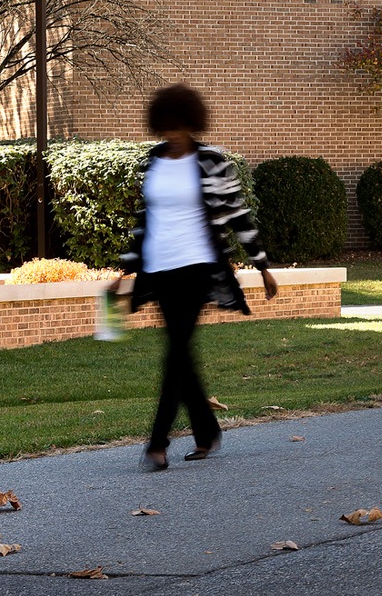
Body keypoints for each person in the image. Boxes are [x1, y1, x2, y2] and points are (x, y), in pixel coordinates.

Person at [113, 84, 277, 471]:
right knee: (181, 355)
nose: (172, 133)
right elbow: (144, 220)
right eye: (166, 126)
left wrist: (262, 265)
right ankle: (207, 431)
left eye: (179, 125)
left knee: (175, 354)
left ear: (192, 123)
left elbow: (239, 216)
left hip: (197, 266)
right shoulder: (154, 160)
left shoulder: (212, 162)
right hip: (158, 269)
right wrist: (125, 270)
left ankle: (157, 443)